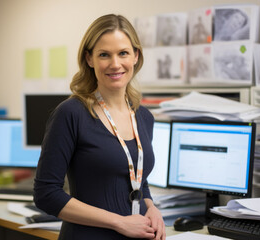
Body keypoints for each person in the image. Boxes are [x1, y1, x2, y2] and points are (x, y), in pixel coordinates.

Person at [34, 14, 166, 240]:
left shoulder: (144, 117)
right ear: (89, 59)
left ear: (135, 56)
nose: (115, 64)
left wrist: (151, 207)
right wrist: (119, 223)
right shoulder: (71, 114)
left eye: (123, 53)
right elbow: (46, 194)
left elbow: (138, 180)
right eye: (104, 55)